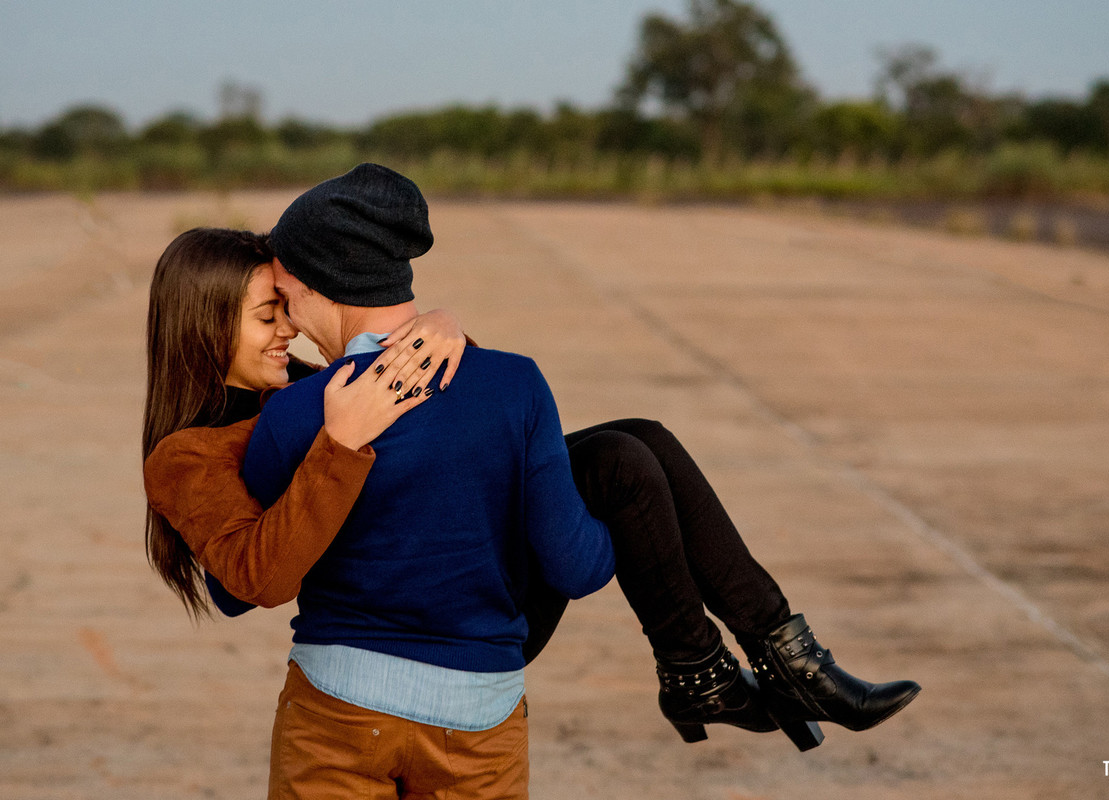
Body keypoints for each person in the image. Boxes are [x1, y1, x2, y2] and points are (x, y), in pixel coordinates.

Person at [143, 166, 920, 796]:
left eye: (285, 305)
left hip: (394, 660)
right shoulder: (203, 449)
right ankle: (706, 669)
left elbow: (415, 395)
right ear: (204, 327)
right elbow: (248, 583)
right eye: (266, 314)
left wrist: (436, 329)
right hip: (447, 655)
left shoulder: (303, 395)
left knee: (634, 448)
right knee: (621, 471)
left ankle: (747, 660)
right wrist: (342, 439)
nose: (286, 328)